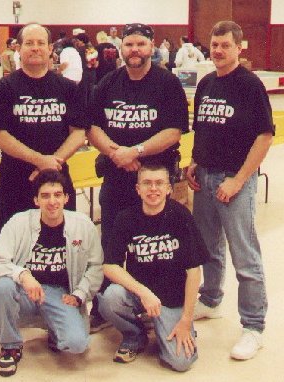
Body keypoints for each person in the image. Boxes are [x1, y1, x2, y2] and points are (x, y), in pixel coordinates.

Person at [87, 22, 189, 331]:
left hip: (154, 182)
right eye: (129, 44)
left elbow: (174, 131)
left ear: (152, 46)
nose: (135, 50)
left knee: (156, 244)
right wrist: (118, 153)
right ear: (121, 47)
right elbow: (92, 128)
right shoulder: (107, 83)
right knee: (111, 242)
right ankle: (105, 306)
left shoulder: (167, 83)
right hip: (117, 178)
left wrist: (137, 152)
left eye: (140, 44)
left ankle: (159, 302)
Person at [186, 21, 274, 361]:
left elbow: (264, 136)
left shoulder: (250, 86)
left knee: (244, 254)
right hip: (205, 177)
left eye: (225, 45)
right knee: (208, 246)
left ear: (239, 47)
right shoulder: (206, 82)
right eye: (214, 44)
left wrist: (238, 180)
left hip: (235, 180)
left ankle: (254, 326)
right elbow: (203, 128)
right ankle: (210, 299)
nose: (218, 50)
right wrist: (195, 161)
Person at [0, 169, 103, 377]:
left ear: (67, 198)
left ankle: (54, 329)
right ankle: (10, 346)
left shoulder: (83, 225)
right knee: (2, 287)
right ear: (36, 200)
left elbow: (96, 266)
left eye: (58, 195)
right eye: (45, 196)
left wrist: (79, 294)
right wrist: (24, 276)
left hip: (61, 294)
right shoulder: (18, 223)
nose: (52, 202)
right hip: (26, 291)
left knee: (76, 345)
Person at [98, 164, 209, 371]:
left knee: (181, 362)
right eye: (147, 183)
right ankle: (135, 335)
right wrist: (144, 292)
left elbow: (194, 271)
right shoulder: (125, 218)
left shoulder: (181, 216)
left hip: (172, 300)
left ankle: (163, 326)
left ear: (169, 188)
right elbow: (110, 266)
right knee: (109, 298)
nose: (153, 189)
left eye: (159, 183)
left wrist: (185, 320)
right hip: (141, 295)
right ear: (138, 189)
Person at [0, 23, 89, 237]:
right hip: (15, 180)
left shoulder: (68, 88)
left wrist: (52, 163)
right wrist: (40, 161)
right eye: (29, 43)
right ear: (18, 48)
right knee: (15, 244)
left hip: (57, 177)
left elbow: (79, 133)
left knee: (60, 243)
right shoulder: (2, 89)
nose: (35, 48)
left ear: (50, 48)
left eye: (41, 43)